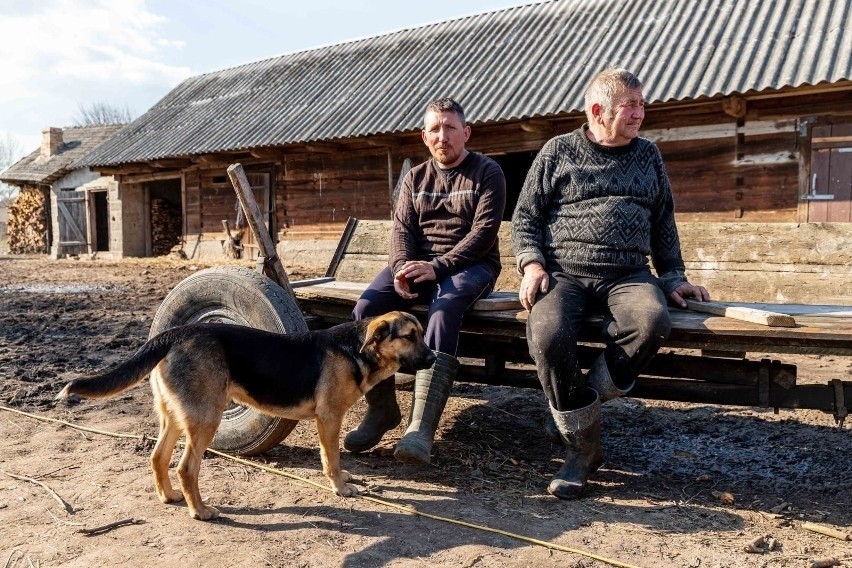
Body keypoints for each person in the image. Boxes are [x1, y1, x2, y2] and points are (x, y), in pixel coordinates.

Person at [511, 69, 709, 499]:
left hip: (628, 275)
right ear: (598, 112)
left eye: (642, 103)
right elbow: (525, 218)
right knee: (546, 335)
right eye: (630, 106)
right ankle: (584, 451)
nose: (640, 113)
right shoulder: (557, 152)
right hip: (564, 272)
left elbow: (663, 221)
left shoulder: (648, 155)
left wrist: (674, 276)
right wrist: (531, 265)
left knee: (652, 322)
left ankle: (579, 404)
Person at [344, 98, 507, 464]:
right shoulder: (415, 178)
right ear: (424, 136)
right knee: (368, 308)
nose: (442, 136)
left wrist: (438, 267)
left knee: (444, 310)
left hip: (471, 265)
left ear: (465, 132)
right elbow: (401, 230)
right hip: (418, 265)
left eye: (450, 128)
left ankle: (421, 426)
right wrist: (401, 268)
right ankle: (383, 409)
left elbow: (483, 233)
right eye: (435, 128)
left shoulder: (487, 171)